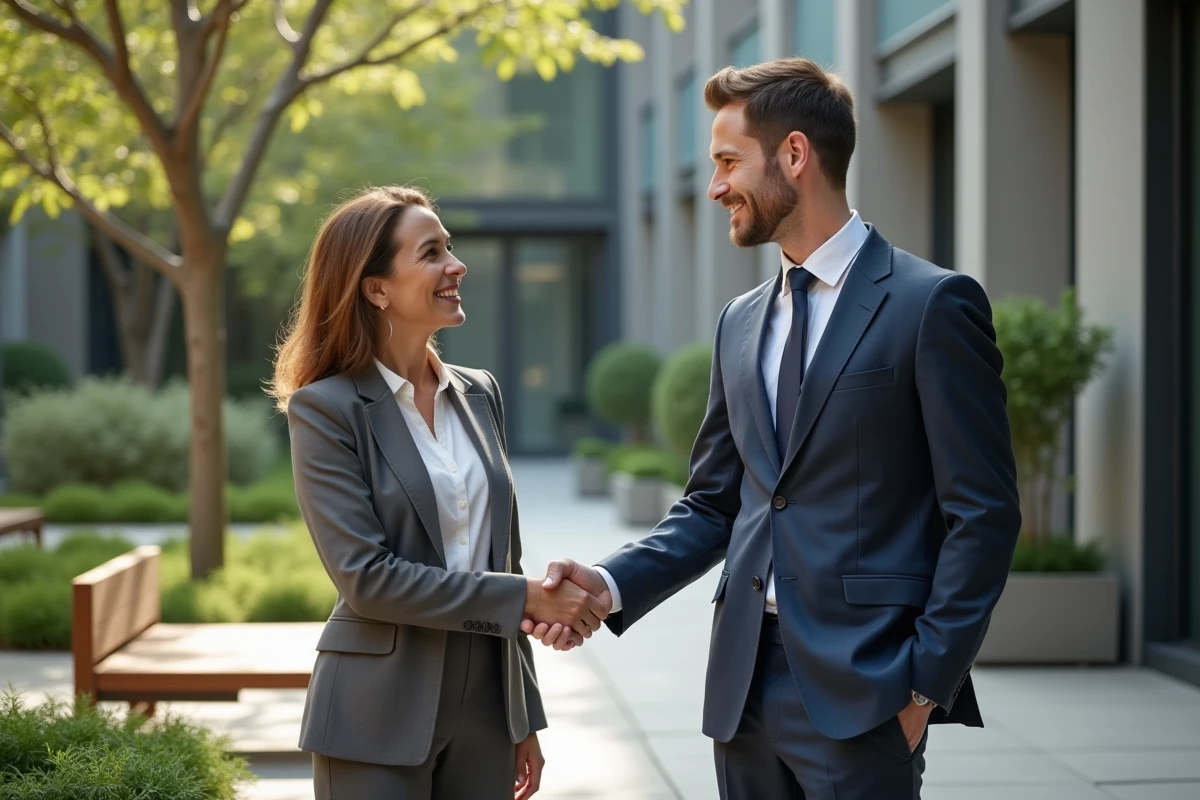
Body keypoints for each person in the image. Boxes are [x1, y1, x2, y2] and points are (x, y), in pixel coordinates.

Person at [524, 58, 1021, 799]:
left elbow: (983, 512)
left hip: (869, 690)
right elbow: (715, 504)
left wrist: (923, 687)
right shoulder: (739, 321)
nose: (716, 185)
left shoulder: (932, 304)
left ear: (794, 154)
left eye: (728, 161)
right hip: (743, 687)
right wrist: (608, 582)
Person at [270, 185, 605, 800]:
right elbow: (367, 579)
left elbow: (505, 561)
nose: (457, 265)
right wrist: (526, 598)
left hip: (486, 712)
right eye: (431, 253)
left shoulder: (480, 394)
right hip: (377, 714)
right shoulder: (326, 410)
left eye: (449, 248)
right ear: (377, 288)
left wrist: (523, 716)